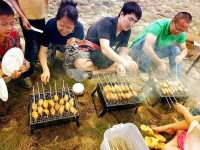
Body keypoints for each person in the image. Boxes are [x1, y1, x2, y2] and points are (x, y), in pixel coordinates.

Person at [68, 1, 142, 82]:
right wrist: (123, 62)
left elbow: (123, 50)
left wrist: (121, 63)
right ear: (121, 14)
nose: (131, 24)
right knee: (80, 65)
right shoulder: (106, 23)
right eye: (130, 19)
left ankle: (95, 73)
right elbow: (105, 48)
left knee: (128, 59)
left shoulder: (127, 30)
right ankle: (112, 67)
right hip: (89, 48)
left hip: (104, 54)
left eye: (135, 22)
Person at [129, 12, 192, 82]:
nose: (178, 32)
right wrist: (160, 63)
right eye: (177, 28)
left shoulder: (181, 33)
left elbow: (184, 49)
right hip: (138, 49)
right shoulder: (159, 25)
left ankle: (175, 77)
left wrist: (181, 56)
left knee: (176, 49)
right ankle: (143, 70)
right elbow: (147, 47)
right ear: (172, 21)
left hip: (155, 50)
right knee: (151, 42)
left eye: (182, 30)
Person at [38, 0, 84, 84]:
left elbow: (81, 41)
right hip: (52, 43)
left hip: (66, 45)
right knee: (47, 63)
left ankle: (67, 66)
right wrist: (45, 70)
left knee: (74, 46)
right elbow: (42, 51)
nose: (64, 30)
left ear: (75, 25)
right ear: (56, 19)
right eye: (61, 25)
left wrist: (75, 40)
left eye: (69, 27)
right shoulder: (50, 25)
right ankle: (51, 60)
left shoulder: (79, 28)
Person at [9, 0, 49, 88]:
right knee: (32, 46)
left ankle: (34, 62)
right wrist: (22, 17)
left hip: (40, 16)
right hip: (27, 18)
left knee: (39, 42)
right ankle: (25, 74)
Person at [0, 0, 30, 82]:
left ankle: (20, 77)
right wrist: (4, 72)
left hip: (9, 59)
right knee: (6, 79)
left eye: (12, 23)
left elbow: (18, 51)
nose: (9, 28)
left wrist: (21, 65)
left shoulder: (14, 33)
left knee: (26, 65)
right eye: (4, 24)